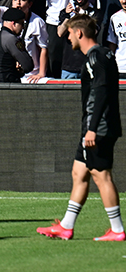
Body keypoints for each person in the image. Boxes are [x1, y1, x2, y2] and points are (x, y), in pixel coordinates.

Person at [38, 15, 124, 241]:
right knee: (79, 172)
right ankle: (66, 226)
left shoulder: (96, 58)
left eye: (69, 32)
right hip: (98, 126)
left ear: (79, 33)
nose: (67, 37)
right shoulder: (103, 54)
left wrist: (92, 128)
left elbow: (102, 92)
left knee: (101, 175)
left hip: (99, 128)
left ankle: (117, 230)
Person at [0, 7, 34, 84]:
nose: (23, 27)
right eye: (21, 23)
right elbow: (28, 65)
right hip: (7, 86)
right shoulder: (10, 39)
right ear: (13, 23)